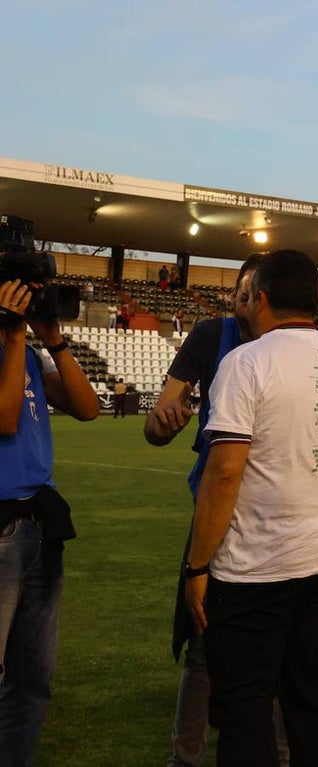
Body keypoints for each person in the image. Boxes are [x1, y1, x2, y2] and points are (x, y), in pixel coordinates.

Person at [181, 250, 318, 766]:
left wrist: (197, 566)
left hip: (255, 567)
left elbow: (224, 471)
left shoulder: (247, 361)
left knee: (244, 708)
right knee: (310, 700)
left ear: (259, 297)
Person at [145, 257, 292, 767]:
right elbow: (159, 420)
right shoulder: (211, 336)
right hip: (216, 511)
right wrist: (164, 422)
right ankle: (185, 758)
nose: (241, 300)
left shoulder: (290, 345)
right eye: (237, 290)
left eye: (250, 291)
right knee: (204, 639)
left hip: (275, 517)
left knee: (275, 651)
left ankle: (275, 753)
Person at [0, 278, 100, 764]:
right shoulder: (14, 349)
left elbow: (87, 408)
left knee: (33, 678)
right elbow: (5, 418)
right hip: (1, 529)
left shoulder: (33, 359)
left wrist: (53, 340)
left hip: (38, 526)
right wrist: (15, 336)